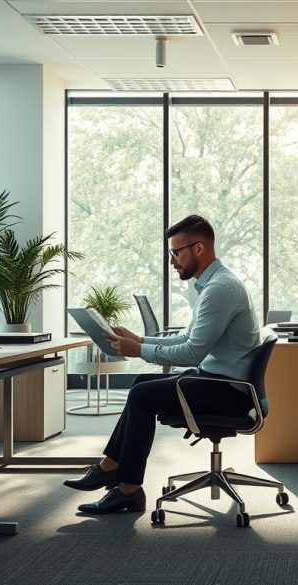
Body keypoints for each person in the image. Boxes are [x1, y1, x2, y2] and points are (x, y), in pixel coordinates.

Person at [64, 215, 261, 514]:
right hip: (219, 379)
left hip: (227, 390)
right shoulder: (215, 284)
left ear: (199, 248)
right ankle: (111, 467)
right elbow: (187, 338)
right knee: (141, 384)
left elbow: (192, 353)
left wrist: (140, 350)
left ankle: (127, 488)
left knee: (142, 396)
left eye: (176, 252)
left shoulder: (219, 289)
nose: (172, 261)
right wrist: (140, 340)